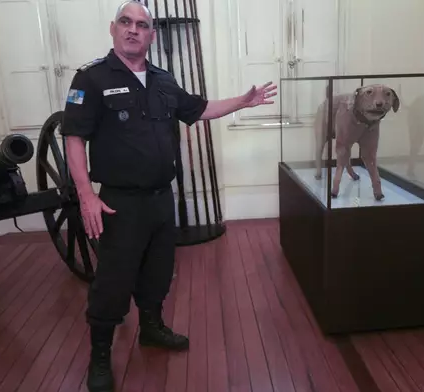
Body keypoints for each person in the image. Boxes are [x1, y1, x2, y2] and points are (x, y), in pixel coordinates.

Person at [60, 1, 277, 391]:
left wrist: (243, 102)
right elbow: (74, 137)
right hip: (119, 202)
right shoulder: (90, 79)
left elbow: (201, 108)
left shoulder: (162, 80)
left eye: (142, 25)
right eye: (126, 22)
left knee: (158, 270)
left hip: (162, 197)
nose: (133, 30)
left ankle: (152, 328)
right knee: (113, 279)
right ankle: (101, 357)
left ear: (151, 35)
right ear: (114, 29)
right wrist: (85, 195)